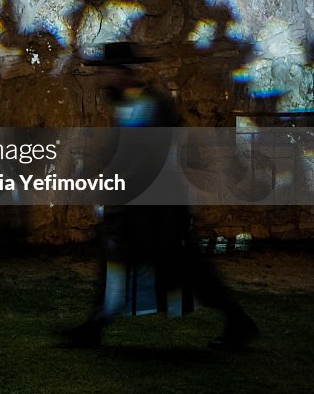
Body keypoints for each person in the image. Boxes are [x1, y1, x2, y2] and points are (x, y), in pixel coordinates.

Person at [61, 42, 258, 350]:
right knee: (117, 261)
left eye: (109, 71)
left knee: (187, 269)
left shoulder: (152, 106)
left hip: (159, 209)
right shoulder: (128, 104)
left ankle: (238, 321)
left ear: (123, 72)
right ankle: (95, 325)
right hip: (139, 206)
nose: (104, 78)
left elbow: (147, 159)